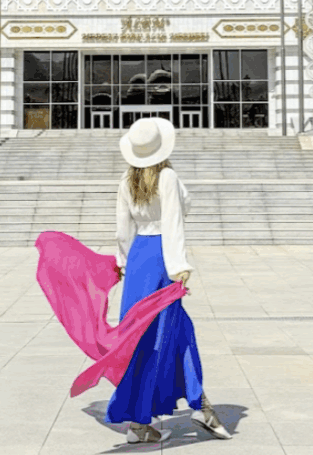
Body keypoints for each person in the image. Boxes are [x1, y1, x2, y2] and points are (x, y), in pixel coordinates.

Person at [107, 116, 231, 443]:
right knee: (172, 332)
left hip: (138, 258)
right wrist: (178, 267)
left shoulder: (126, 182)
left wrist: (123, 261)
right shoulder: (168, 177)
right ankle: (198, 407)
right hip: (162, 257)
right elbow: (174, 222)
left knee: (142, 336)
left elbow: (123, 230)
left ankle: (144, 420)